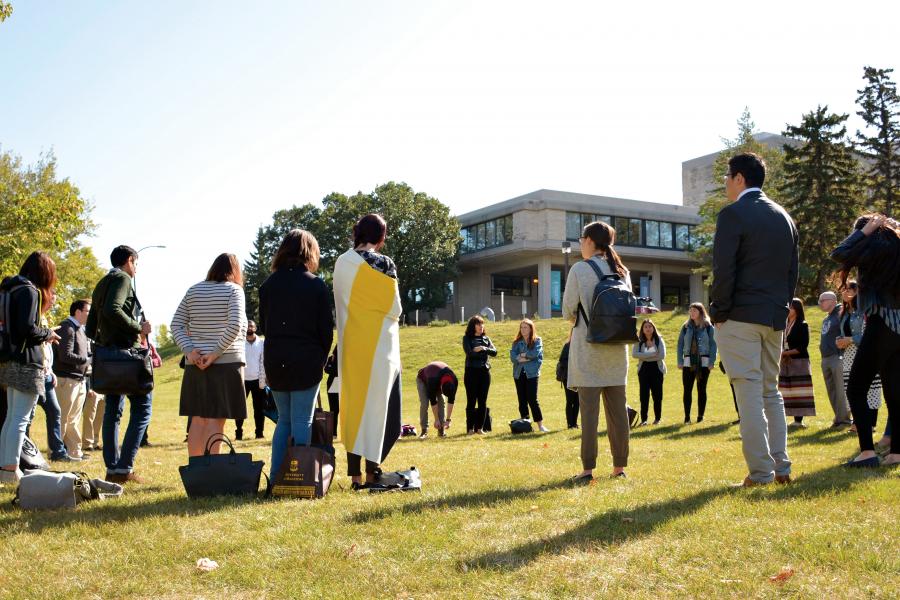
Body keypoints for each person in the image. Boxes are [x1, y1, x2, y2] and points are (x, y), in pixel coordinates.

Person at [709, 152, 798, 487]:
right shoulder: (785, 217)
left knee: (748, 394)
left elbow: (724, 270)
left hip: (740, 317)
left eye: (727, 178)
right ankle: (781, 468)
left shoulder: (733, 215)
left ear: (740, 178)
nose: (726, 184)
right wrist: (781, 307)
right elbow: (792, 272)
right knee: (770, 392)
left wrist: (719, 312)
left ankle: (761, 473)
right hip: (773, 317)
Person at [333, 214, 402, 489]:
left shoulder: (341, 263)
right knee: (377, 408)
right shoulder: (384, 264)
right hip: (380, 346)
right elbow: (394, 307)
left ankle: (355, 476)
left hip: (351, 344)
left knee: (353, 408)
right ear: (381, 236)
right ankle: (373, 471)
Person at [259, 230, 333, 479]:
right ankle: (299, 477)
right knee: (303, 419)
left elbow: (263, 326)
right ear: (310, 252)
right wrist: (321, 359)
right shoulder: (316, 285)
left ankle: (276, 477)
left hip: (276, 360)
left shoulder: (268, 285)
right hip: (306, 360)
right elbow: (326, 330)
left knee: (285, 421)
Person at [562, 220, 633, 481]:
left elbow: (568, 309)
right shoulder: (622, 271)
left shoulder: (580, 269)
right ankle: (619, 468)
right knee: (618, 416)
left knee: (589, 415)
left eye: (581, 239)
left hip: (589, 350)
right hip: (617, 350)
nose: (580, 244)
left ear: (590, 241)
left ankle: (588, 469)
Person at [830, 213, 900, 468]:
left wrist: (865, 231)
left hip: (880, 322)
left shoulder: (869, 250)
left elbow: (839, 253)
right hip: (899, 326)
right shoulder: (895, 250)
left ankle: (867, 453)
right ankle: (895, 454)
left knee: (856, 389)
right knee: (894, 391)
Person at [85, 245, 154, 484]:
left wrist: (105, 342)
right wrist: (139, 328)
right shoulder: (123, 278)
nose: (136, 268)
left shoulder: (102, 283)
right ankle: (124, 468)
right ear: (128, 260)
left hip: (107, 357)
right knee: (143, 408)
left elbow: (89, 327)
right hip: (127, 356)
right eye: (135, 263)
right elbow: (114, 309)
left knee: (112, 412)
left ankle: (113, 469)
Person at [171, 253, 247, 458]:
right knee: (216, 419)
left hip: (195, 363)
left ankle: (196, 469)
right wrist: (214, 354)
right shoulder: (234, 290)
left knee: (198, 418)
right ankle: (213, 469)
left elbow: (176, 324)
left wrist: (191, 352)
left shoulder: (193, 290)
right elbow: (235, 325)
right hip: (226, 362)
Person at [0, 251, 61, 485]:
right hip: (27, 362)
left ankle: (5, 467)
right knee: (20, 419)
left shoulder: (9, 287)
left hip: (8, 359)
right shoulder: (30, 290)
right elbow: (27, 329)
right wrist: (48, 334)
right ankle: (11, 468)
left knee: (10, 418)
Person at [837, 281, 883, 433]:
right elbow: (843, 332)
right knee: (851, 388)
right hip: (849, 356)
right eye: (843, 289)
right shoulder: (844, 313)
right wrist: (839, 340)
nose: (844, 292)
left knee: (870, 389)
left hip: (865, 352)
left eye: (848, 289)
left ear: (857, 292)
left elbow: (869, 334)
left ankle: (869, 424)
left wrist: (850, 340)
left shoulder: (864, 311)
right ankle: (857, 421)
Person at [52, 299, 92, 458]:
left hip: (79, 380)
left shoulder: (80, 329)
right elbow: (65, 355)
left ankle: (74, 452)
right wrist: (86, 361)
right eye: (88, 311)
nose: (90, 314)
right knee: (62, 417)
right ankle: (56, 452)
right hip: (66, 380)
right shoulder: (67, 328)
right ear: (78, 312)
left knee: (74, 418)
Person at [676, 302, 716, 423]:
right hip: (688, 362)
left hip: (704, 362)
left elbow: (713, 345)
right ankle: (687, 417)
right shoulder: (686, 327)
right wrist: (680, 360)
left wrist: (711, 361)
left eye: (694, 310)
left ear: (701, 312)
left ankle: (700, 416)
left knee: (701, 389)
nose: (692, 313)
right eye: (690, 310)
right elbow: (680, 344)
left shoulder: (709, 327)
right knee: (687, 390)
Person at [779, 298, 816, 427]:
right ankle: (785, 418)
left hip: (799, 361)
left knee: (799, 390)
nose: (788, 310)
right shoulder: (783, 325)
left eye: (791, 308)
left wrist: (786, 353)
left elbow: (803, 346)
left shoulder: (802, 324)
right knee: (785, 389)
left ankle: (798, 421)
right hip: (785, 361)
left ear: (797, 310)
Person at [818, 291, 851, 428]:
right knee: (831, 390)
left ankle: (844, 420)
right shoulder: (827, 318)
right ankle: (838, 418)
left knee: (840, 389)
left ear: (832, 300)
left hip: (838, 356)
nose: (820, 303)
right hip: (826, 358)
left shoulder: (841, 313)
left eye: (822, 300)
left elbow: (848, 332)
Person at [462, 315, 497, 435]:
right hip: (471, 372)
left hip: (484, 373)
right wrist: (484, 353)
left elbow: (495, 352)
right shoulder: (467, 338)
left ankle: (479, 428)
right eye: (478, 324)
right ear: (473, 326)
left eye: (482, 324)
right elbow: (470, 354)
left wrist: (482, 348)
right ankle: (470, 429)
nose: (481, 326)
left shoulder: (486, 339)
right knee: (471, 401)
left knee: (482, 401)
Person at [510, 318, 547, 432]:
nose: (523, 329)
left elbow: (535, 353)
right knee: (522, 400)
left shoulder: (537, 340)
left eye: (525, 327)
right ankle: (525, 425)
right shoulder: (516, 342)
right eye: (521, 327)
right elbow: (513, 357)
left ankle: (540, 425)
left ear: (531, 329)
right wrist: (526, 357)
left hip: (532, 374)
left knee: (532, 399)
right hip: (518, 374)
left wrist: (522, 356)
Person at [236, 319, 266, 440]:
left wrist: (264, 380)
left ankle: (259, 433)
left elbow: (263, 362)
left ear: (255, 328)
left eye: (251, 326)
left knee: (259, 409)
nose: (249, 327)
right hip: (242, 380)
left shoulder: (262, 343)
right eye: (247, 326)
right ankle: (238, 433)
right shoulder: (240, 342)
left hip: (258, 380)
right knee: (239, 409)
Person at [633, 318, 667, 426]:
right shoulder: (639, 341)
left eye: (650, 326)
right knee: (644, 395)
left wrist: (644, 357)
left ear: (653, 328)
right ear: (642, 329)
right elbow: (634, 354)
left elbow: (662, 355)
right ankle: (644, 420)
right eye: (645, 327)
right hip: (643, 370)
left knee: (657, 395)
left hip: (657, 370)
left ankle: (657, 418)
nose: (648, 329)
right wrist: (652, 355)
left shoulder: (659, 340)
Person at [416, 361, 458, 438]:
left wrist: (448, 420)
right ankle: (424, 431)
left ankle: (441, 430)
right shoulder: (432, 381)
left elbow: (451, 401)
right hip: (423, 379)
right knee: (425, 403)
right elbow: (433, 401)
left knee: (442, 402)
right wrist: (436, 419)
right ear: (441, 387)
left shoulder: (454, 380)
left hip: (437, 378)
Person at [557, 330, 580, 429]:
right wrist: (574, 366)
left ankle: (574, 423)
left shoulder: (583, 347)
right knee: (570, 400)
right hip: (568, 376)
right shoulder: (568, 346)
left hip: (580, 377)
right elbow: (562, 360)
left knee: (578, 401)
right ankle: (570, 424)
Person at [81, 368, 104, 452]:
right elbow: (87, 369)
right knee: (89, 416)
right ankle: (87, 444)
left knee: (99, 417)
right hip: (93, 388)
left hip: (104, 387)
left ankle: (95, 442)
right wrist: (89, 387)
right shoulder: (93, 354)